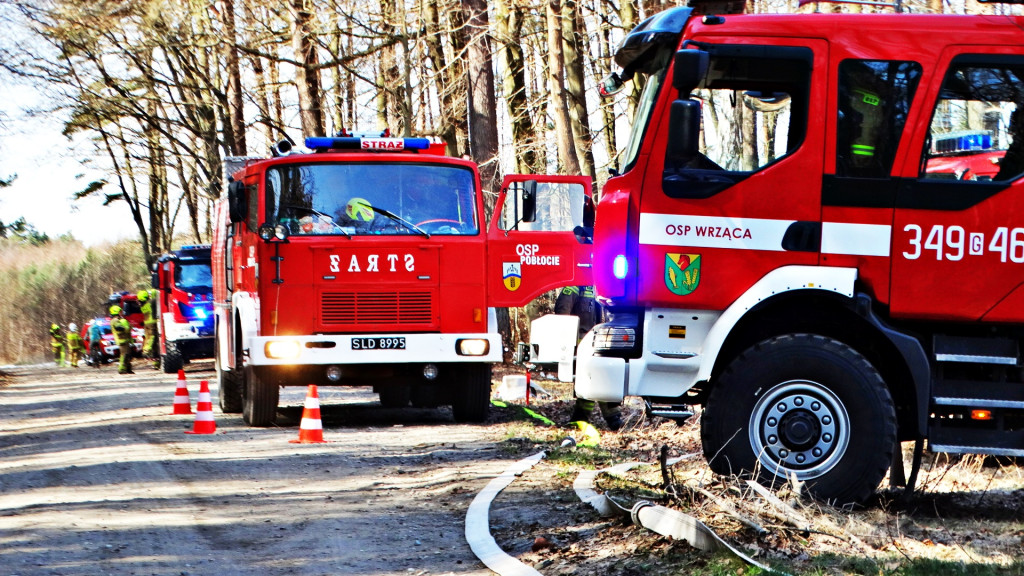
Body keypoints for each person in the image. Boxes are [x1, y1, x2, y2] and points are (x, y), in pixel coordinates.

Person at [558, 285, 623, 431]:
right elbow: (563, 311)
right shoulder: (574, 287)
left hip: (602, 341)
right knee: (590, 379)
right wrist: (567, 340)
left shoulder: (601, 286)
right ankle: (609, 417)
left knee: (603, 376)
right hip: (582, 344)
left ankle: (583, 417)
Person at [138, 289, 159, 369]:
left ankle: (156, 363)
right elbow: (155, 299)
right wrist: (154, 292)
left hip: (146, 324)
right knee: (152, 339)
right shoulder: (151, 303)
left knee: (153, 344)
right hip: (152, 324)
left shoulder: (143, 306)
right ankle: (146, 350)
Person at [110, 305, 134, 375]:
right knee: (124, 355)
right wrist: (126, 327)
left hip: (125, 340)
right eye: (120, 311)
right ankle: (122, 369)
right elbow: (119, 327)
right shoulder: (115, 320)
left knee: (127, 355)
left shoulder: (119, 320)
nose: (121, 313)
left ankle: (128, 368)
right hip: (121, 340)